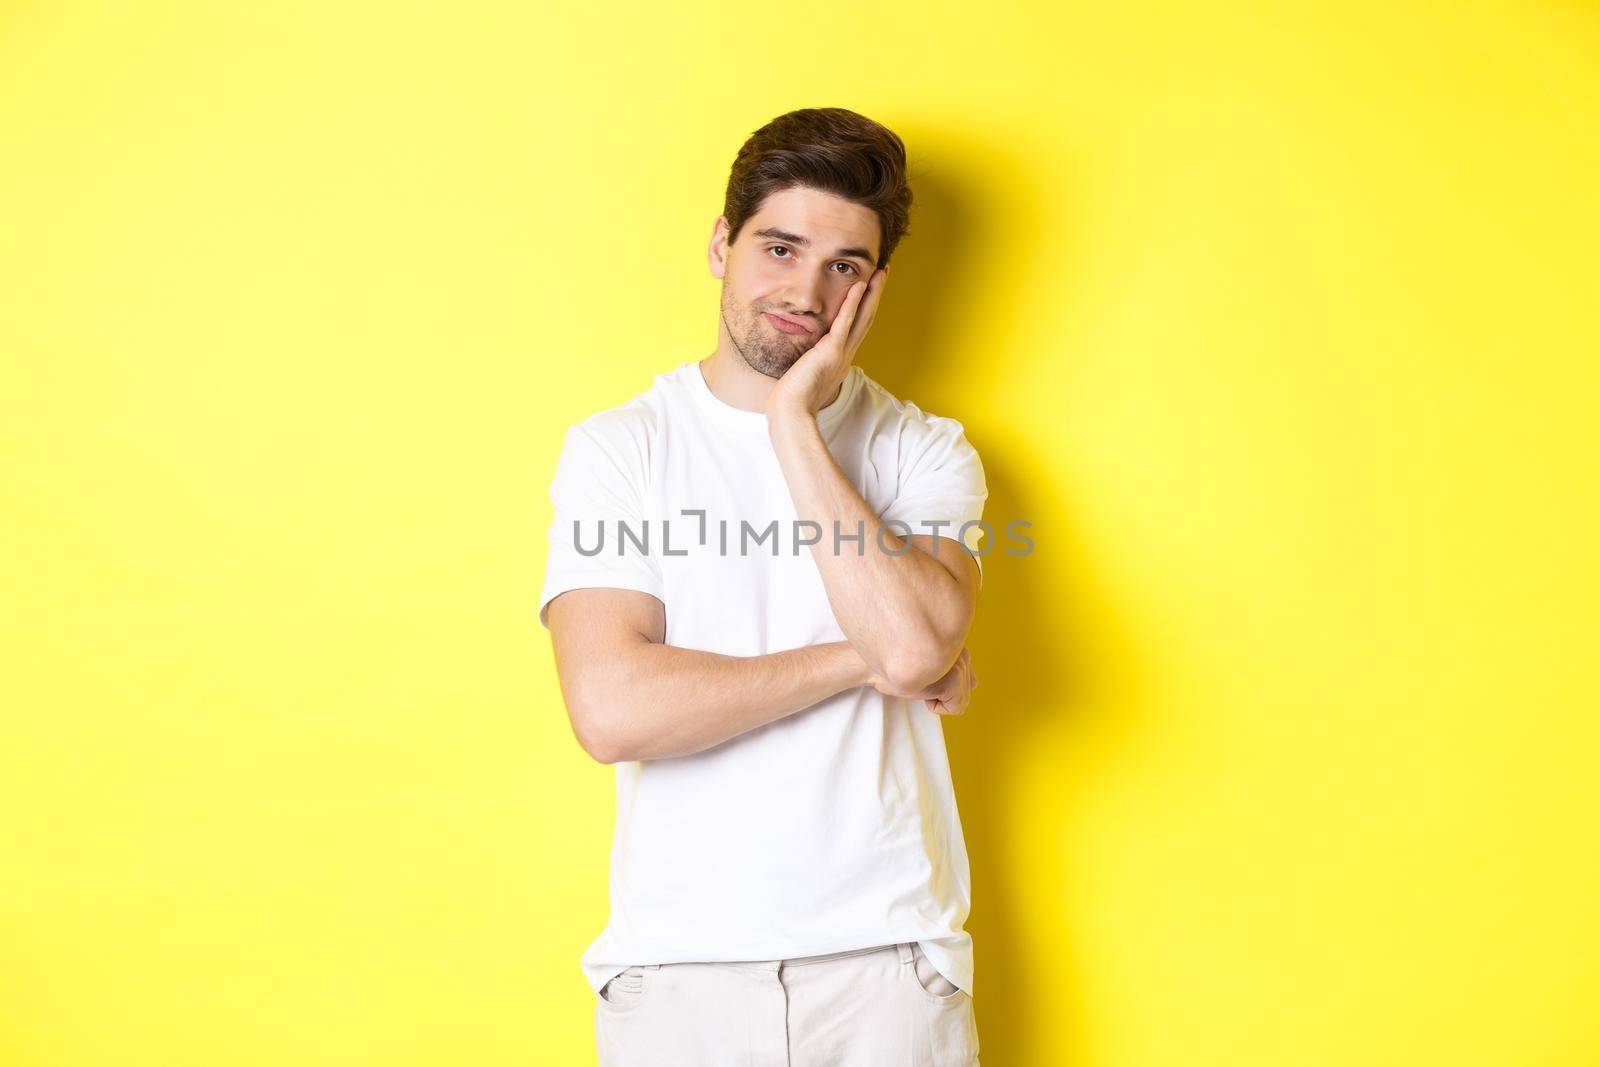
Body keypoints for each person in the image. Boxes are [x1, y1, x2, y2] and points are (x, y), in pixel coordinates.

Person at [538, 106, 986, 1066]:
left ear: (874, 288)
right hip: (678, 973)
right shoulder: (621, 450)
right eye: (780, 247)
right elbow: (612, 710)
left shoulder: (922, 449)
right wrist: (857, 660)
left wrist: (792, 422)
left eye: (844, 267)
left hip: (887, 965)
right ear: (720, 244)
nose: (805, 290)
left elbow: (914, 650)